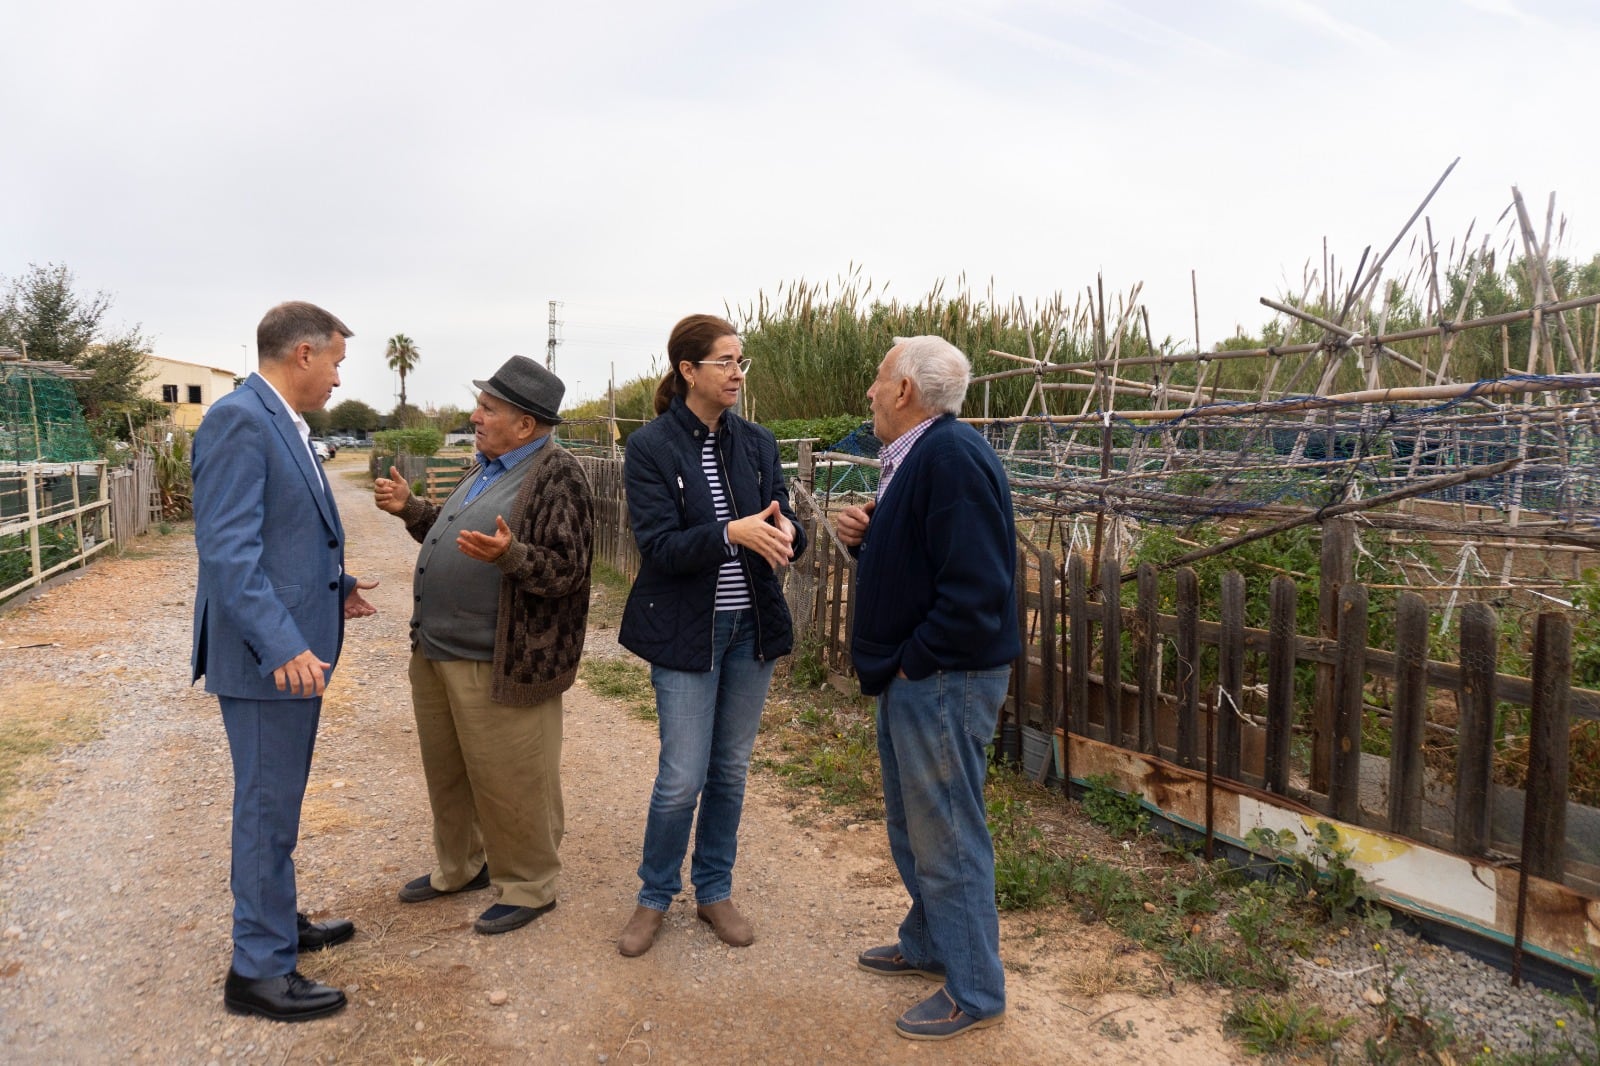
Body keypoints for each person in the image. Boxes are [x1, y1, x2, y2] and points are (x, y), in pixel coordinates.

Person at [191, 301, 379, 1022]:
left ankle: (277, 920)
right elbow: (229, 553)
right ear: (302, 354)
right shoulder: (241, 419)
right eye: (334, 361)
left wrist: (338, 589)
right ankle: (259, 969)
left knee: (280, 804)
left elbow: (283, 538)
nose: (336, 377)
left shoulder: (281, 422)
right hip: (269, 661)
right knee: (266, 810)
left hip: (292, 649)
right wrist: (283, 642)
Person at [836, 335, 1021, 1041]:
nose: (872, 393)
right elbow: (928, 555)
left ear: (907, 390)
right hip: (921, 677)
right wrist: (872, 536)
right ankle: (930, 942)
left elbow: (975, 590)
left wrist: (917, 660)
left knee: (946, 834)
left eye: (879, 380)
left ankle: (974, 991)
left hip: (944, 680)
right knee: (913, 825)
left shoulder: (948, 456)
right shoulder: (926, 456)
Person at [373, 355, 592, 936]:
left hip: (501, 658)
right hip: (438, 651)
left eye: (488, 408)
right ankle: (461, 867)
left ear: (526, 424)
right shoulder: (486, 467)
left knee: (514, 777)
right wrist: (413, 511)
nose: (475, 415)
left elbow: (568, 569)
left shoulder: (557, 473)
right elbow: (459, 532)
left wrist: (512, 557)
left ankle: (529, 884)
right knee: (449, 773)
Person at [614, 314, 806, 957]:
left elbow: (784, 519)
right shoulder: (651, 447)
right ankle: (653, 897)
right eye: (724, 361)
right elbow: (661, 548)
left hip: (751, 628)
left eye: (741, 361)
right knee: (681, 776)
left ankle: (714, 890)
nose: (737, 373)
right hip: (685, 632)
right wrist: (731, 533)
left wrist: (786, 534)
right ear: (687, 370)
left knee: (729, 769)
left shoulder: (757, 442)